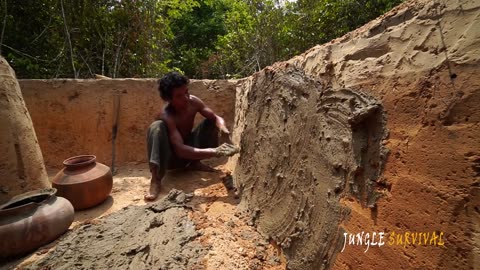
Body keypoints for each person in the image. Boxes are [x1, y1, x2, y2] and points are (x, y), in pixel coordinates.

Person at [144, 71, 239, 200]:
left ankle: (195, 163)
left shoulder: (193, 102)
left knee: (211, 121)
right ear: (169, 99)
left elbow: (216, 117)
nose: (186, 97)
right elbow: (180, 149)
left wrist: (223, 129)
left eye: (186, 92)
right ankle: (155, 179)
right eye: (179, 96)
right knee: (156, 127)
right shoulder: (166, 115)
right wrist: (215, 151)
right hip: (172, 158)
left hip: (189, 150)